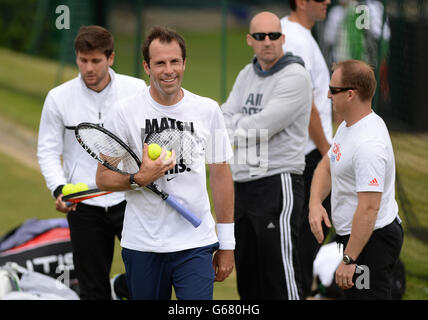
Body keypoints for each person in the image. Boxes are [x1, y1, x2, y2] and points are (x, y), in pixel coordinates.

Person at [95, 26, 235, 300]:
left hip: (196, 243)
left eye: (174, 61)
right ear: (147, 67)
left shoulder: (208, 110)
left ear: (184, 63)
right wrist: (138, 178)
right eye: (160, 63)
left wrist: (227, 243)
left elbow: (220, 176)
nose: (168, 70)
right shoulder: (124, 112)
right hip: (143, 245)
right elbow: (103, 177)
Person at [37, 25, 146, 300]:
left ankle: (119, 286)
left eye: (96, 60)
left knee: (148, 281)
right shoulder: (58, 97)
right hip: (84, 204)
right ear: (76, 58)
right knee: (92, 290)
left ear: (110, 58)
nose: (88, 68)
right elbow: (48, 150)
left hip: (130, 199)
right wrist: (59, 189)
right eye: (83, 60)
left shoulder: (136, 90)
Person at [222, 11, 312, 300]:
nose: (268, 42)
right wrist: (238, 125)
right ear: (250, 40)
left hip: (277, 182)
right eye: (260, 36)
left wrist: (236, 126)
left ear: (283, 38)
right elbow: (223, 116)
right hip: (243, 185)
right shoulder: (246, 74)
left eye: (274, 35)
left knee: (279, 276)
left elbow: (261, 127)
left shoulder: (295, 76)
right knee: (248, 277)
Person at [309, 59, 403, 299]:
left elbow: (369, 209)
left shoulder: (369, 144)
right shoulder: (348, 126)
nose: (328, 95)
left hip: (373, 241)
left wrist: (349, 259)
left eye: (333, 90)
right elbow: (327, 166)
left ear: (350, 95)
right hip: (355, 237)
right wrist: (315, 204)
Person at [280, 0, 334, 298]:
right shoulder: (296, 39)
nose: (327, 1)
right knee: (303, 243)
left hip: (307, 154)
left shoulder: (292, 32)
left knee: (303, 242)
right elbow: (305, 102)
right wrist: (328, 151)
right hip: (309, 156)